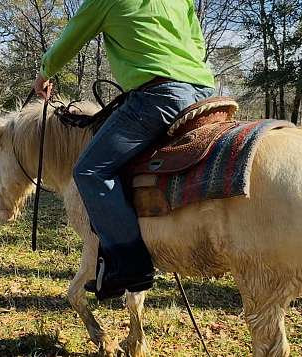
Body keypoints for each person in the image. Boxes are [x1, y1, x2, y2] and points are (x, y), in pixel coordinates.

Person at [32, 0, 215, 299]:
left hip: (159, 95)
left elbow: (73, 35)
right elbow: (196, 41)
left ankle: (131, 265)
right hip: (203, 90)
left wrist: (44, 73)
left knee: (90, 170)